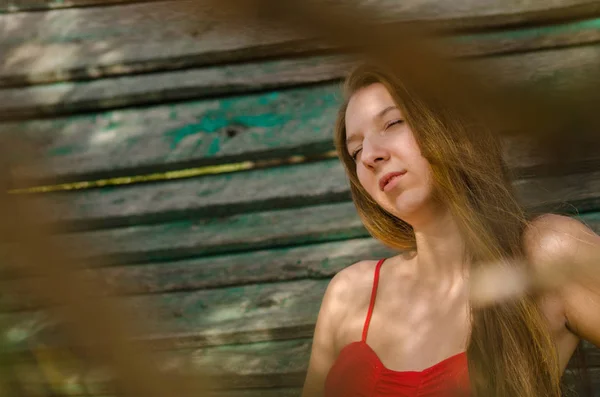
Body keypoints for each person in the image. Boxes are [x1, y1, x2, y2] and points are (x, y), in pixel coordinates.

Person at [300, 64, 600, 397]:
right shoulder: (348, 295)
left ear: (455, 130)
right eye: (356, 151)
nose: (369, 155)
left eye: (393, 122)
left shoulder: (546, 254)